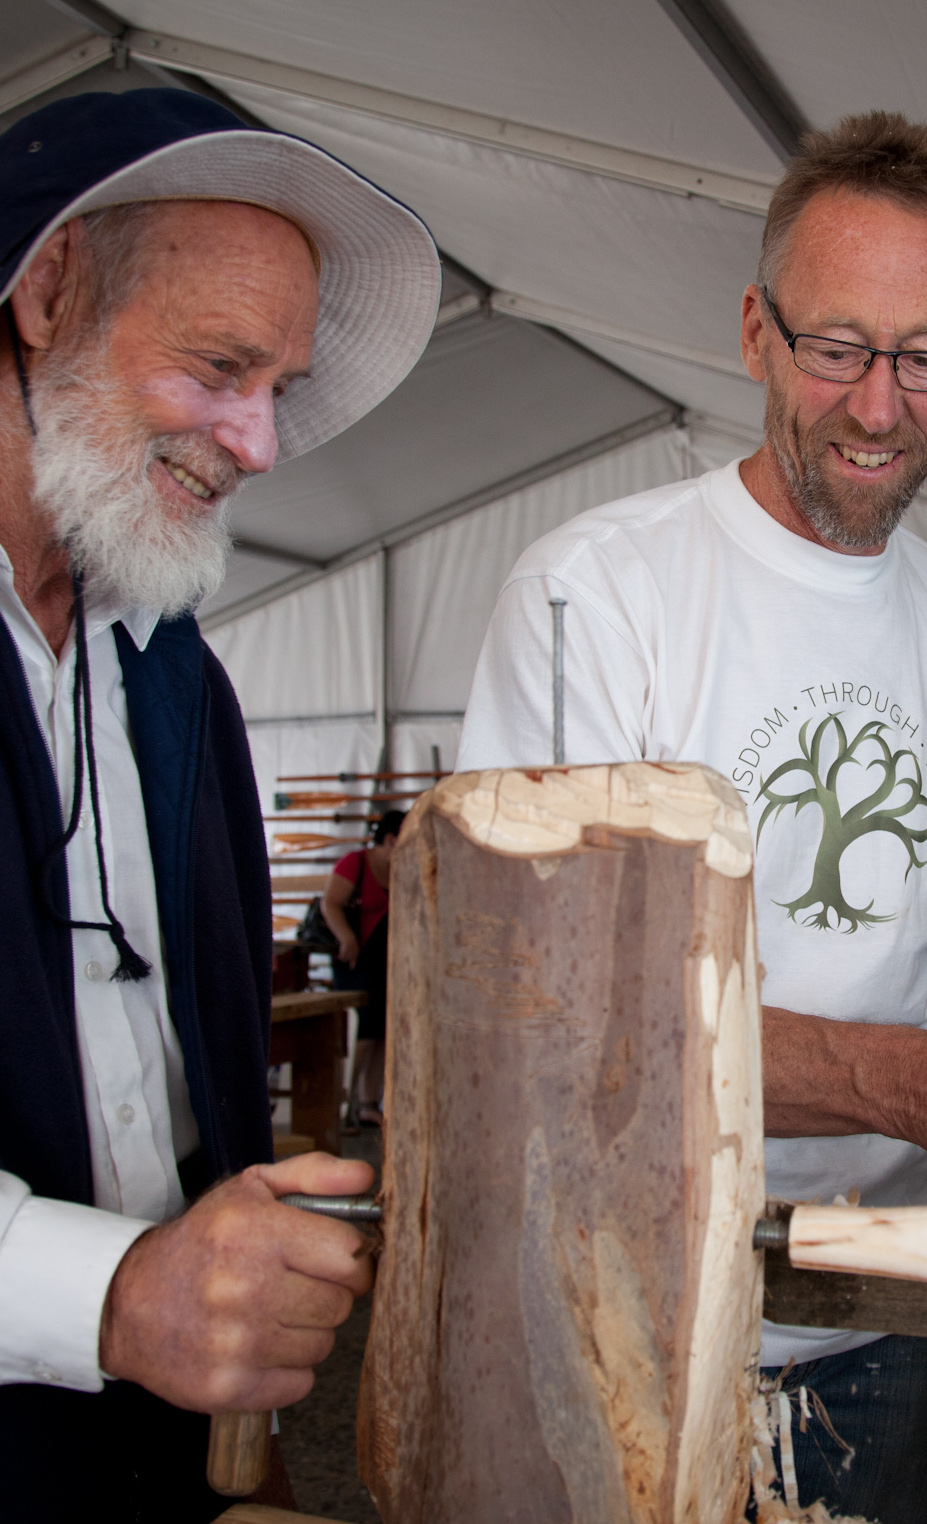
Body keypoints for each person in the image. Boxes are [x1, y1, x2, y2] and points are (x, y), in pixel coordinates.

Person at [458, 111, 927, 1524]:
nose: (878, 407)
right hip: (620, 1306)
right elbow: (551, 1020)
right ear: (756, 331)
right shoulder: (598, 594)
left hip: (874, 1318)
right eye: (836, 347)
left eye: (925, 357)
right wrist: (911, 1087)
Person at [0, 89, 438, 1520]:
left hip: (148, 1446)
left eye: (278, 387)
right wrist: (117, 1294)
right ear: (49, 287)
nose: (256, 443)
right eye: (217, 366)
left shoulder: (171, 672)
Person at [323, 808, 405, 1130]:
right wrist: (347, 938)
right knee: (364, 1027)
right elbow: (330, 903)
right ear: (389, 839)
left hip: (385, 959)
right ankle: (346, 1102)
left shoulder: (402, 868)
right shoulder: (355, 863)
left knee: (384, 1030)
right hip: (354, 957)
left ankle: (370, 1103)